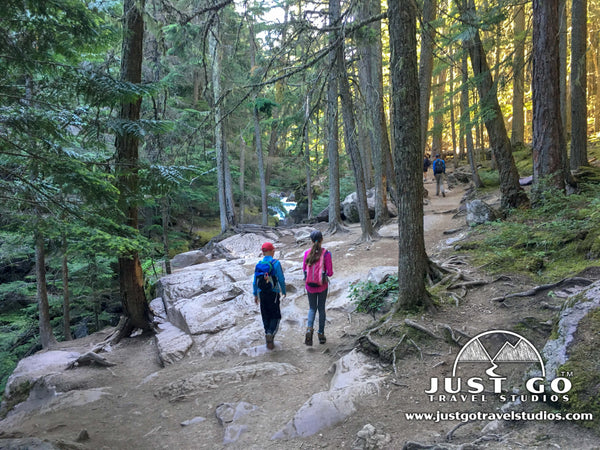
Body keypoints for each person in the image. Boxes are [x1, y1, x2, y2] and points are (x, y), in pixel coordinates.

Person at [302, 230, 333, 346]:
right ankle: (321, 334)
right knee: (321, 309)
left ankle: (309, 329)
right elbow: (330, 273)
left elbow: (304, 269)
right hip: (322, 286)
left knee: (312, 308)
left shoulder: (307, 253)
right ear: (322, 239)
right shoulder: (326, 254)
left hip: (310, 286)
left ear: (311, 240)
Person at [253, 242, 286, 350]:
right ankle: (271, 333)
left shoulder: (259, 264)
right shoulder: (276, 263)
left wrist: (255, 294)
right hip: (273, 293)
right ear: (272, 251)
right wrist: (283, 291)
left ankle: (267, 333)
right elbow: (281, 278)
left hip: (262, 293)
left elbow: (255, 282)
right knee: (275, 316)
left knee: (265, 315)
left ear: (263, 253)